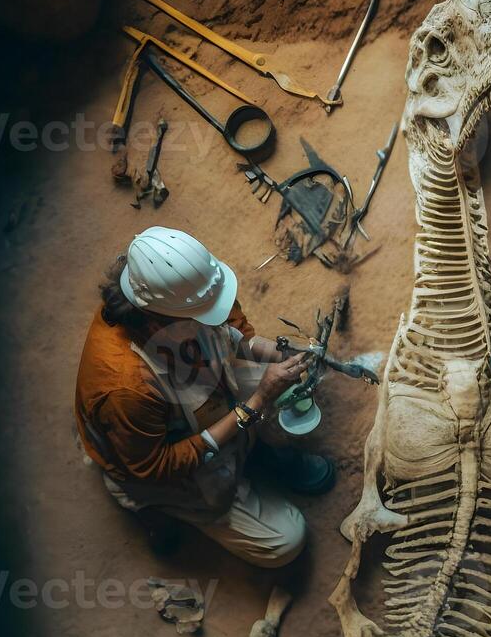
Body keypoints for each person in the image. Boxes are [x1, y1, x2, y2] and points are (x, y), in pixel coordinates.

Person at [75, 225, 335, 566]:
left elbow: (229, 320)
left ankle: (251, 451)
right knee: (287, 541)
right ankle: (158, 509)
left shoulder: (182, 286)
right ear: (155, 320)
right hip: (163, 453)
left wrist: (265, 350)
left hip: (198, 394)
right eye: (201, 317)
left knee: (281, 386)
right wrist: (256, 402)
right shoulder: (124, 386)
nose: (215, 318)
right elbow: (156, 465)